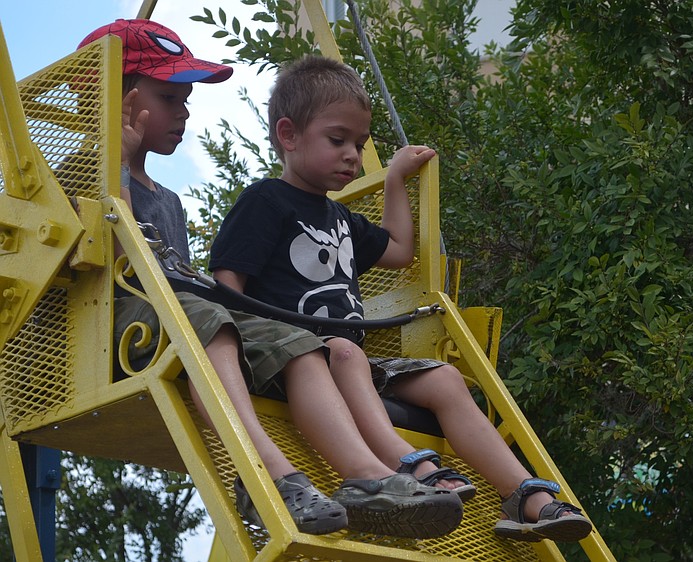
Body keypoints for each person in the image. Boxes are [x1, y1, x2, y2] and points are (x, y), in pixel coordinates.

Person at [77, 20, 462, 540]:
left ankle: (366, 478)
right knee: (212, 319)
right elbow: (122, 258)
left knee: (301, 345)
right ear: (108, 98)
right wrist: (116, 167)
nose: (184, 112)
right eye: (169, 97)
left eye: (186, 99)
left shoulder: (166, 198)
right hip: (116, 327)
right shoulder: (83, 172)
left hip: (180, 316)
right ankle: (267, 473)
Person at [209, 54, 594, 543]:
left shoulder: (340, 218)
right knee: (344, 350)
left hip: (349, 362)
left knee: (445, 378)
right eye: (337, 140)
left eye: (360, 144)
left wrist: (393, 179)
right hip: (293, 358)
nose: (352, 154)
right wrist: (255, 351)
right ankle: (409, 468)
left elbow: (398, 250)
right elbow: (227, 285)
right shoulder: (265, 201)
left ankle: (525, 495)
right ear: (288, 135)